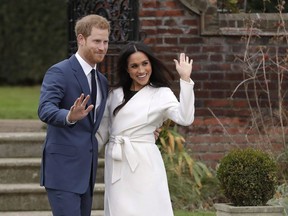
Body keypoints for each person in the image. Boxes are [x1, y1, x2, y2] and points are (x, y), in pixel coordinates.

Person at [96, 42, 195, 216]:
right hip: (117, 160)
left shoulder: (161, 93)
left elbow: (185, 118)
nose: (141, 70)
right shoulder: (114, 94)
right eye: (134, 66)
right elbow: (103, 131)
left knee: (148, 208)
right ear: (127, 70)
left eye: (144, 64)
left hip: (144, 161)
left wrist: (185, 80)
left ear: (151, 64)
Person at [38, 14, 110, 216]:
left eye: (105, 42)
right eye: (97, 41)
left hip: (86, 173)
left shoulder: (102, 80)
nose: (102, 47)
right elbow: (45, 109)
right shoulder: (60, 71)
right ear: (81, 39)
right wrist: (69, 116)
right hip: (62, 171)